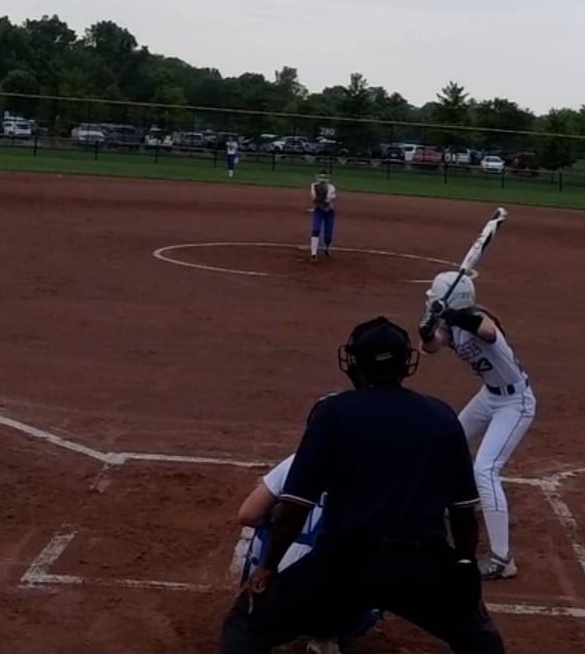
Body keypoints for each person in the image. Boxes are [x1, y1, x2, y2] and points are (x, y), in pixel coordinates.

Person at [218, 317, 503, 654]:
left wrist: (268, 567)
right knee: (478, 637)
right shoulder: (442, 417)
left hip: (345, 563)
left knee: (247, 624)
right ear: (406, 364)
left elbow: (294, 507)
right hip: (422, 565)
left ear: (355, 363)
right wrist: (466, 576)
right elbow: (463, 513)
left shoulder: (334, 413)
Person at [419, 272, 535, 581]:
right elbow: (429, 347)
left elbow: (487, 331)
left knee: (485, 469)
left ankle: (502, 558)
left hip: (516, 402)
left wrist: (450, 313)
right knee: (448, 441)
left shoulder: (479, 318)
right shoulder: (451, 326)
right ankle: (448, 504)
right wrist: (427, 331)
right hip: (489, 396)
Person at [236, 453, 385, 653]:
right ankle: (328, 636)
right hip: (331, 594)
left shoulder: (298, 461)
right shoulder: (378, 469)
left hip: (278, 593)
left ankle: (261, 625)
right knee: (377, 554)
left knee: (266, 524)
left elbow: (247, 515)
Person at [308, 174, 337, 261]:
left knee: (328, 236)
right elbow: (314, 199)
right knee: (315, 230)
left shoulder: (331, 188)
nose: (322, 181)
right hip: (318, 211)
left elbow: (327, 201)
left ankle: (326, 247)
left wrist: (321, 198)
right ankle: (313, 254)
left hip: (329, 213)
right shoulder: (314, 186)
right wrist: (317, 197)